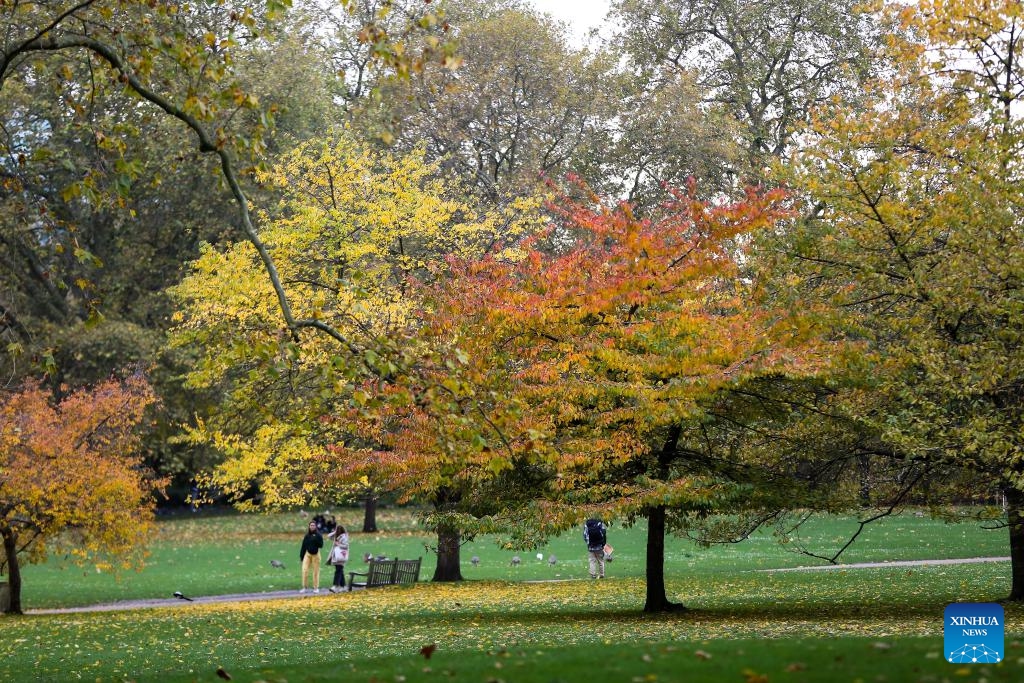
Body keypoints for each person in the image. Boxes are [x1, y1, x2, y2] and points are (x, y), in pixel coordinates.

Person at [299, 520, 324, 593]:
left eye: (313, 525)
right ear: (309, 526)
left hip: (316, 555)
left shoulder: (318, 535)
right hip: (307, 554)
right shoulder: (307, 536)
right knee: (304, 570)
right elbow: (303, 546)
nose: (312, 527)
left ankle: (316, 588)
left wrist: (315, 539)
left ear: (315, 526)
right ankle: (304, 587)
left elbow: (321, 545)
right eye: (311, 525)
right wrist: (301, 556)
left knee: (316, 571)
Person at [325, 524, 350, 593]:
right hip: (337, 556)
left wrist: (338, 544)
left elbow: (346, 546)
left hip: (341, 556)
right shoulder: (337, 536)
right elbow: (329, 536)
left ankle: (335, 586)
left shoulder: (344, 537)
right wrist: (334, 532)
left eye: (338, 530)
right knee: (340, 570)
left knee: (338, 571)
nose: (337, 531)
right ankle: (344, 586)